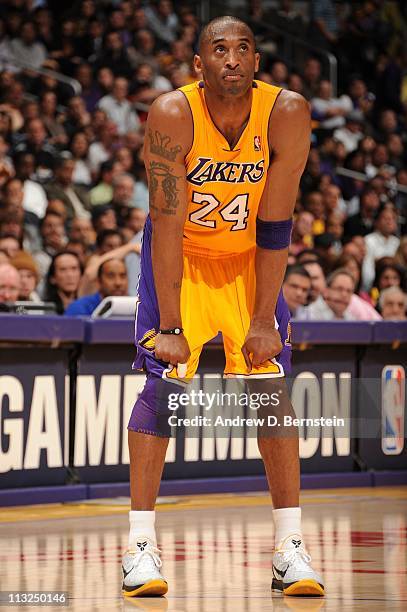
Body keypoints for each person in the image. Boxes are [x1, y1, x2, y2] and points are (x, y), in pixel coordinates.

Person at [123, 16, 324, 600]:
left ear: (257, 61)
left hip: (248, 259)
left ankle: (290, 548)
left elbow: (277, 223)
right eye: (219, 49)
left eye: (243, 49)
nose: (232, 58)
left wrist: (264, 318)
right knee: (163, 386)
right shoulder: (172, 114)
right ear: (199, 65)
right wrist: (169, 324)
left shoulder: (286, 112)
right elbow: (164, 221)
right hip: (179, 257)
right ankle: (140, 546)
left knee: (272, 389)